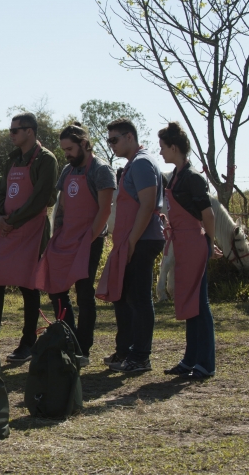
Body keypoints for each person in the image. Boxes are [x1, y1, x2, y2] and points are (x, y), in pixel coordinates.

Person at [0, 112, 58, 363]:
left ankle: (28, 344)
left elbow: (40, 200)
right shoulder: (12, 160)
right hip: (6, 230)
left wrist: (11, 221)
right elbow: (1, 191)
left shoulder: (46, 159)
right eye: (10, 130)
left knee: (28, 286)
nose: (11, 134)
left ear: (30, 132)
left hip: (31, 231)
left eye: (16, 130)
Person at [35, 123, 116, 366]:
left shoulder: (101, 170)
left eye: (70, 148)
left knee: (84, 294)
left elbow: (105, 210)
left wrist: (87, 240)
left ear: (83, 143)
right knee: (56, 289)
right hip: (64, 239)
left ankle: (83, 348)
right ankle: (68, 339)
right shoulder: (68, 170)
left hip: (89, 242)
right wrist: (56, 235)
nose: (67, 154)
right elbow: (60, 206)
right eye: (63, 150)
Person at [96, 118, 165, 372]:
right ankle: (125, 351)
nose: (111, 145)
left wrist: (133, 242)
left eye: (114, 139)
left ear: (129, 137)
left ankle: (140, 357)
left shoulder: (142, 163)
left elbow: (147, 206)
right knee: (123, 297)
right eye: (108, 140)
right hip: (132, 241)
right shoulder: (133, 164)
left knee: (138, 299)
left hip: (142, 241)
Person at [158, 122, 221, 379]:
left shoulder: (193, 177)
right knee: (189, 303)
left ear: (174, 147)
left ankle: (205, 364)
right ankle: (190, 360)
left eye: (163, 147)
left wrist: (209, 242)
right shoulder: (176, 175)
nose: (160, 152)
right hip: (181, 244)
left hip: (194, 244)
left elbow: (208, 214)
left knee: (199, 304)